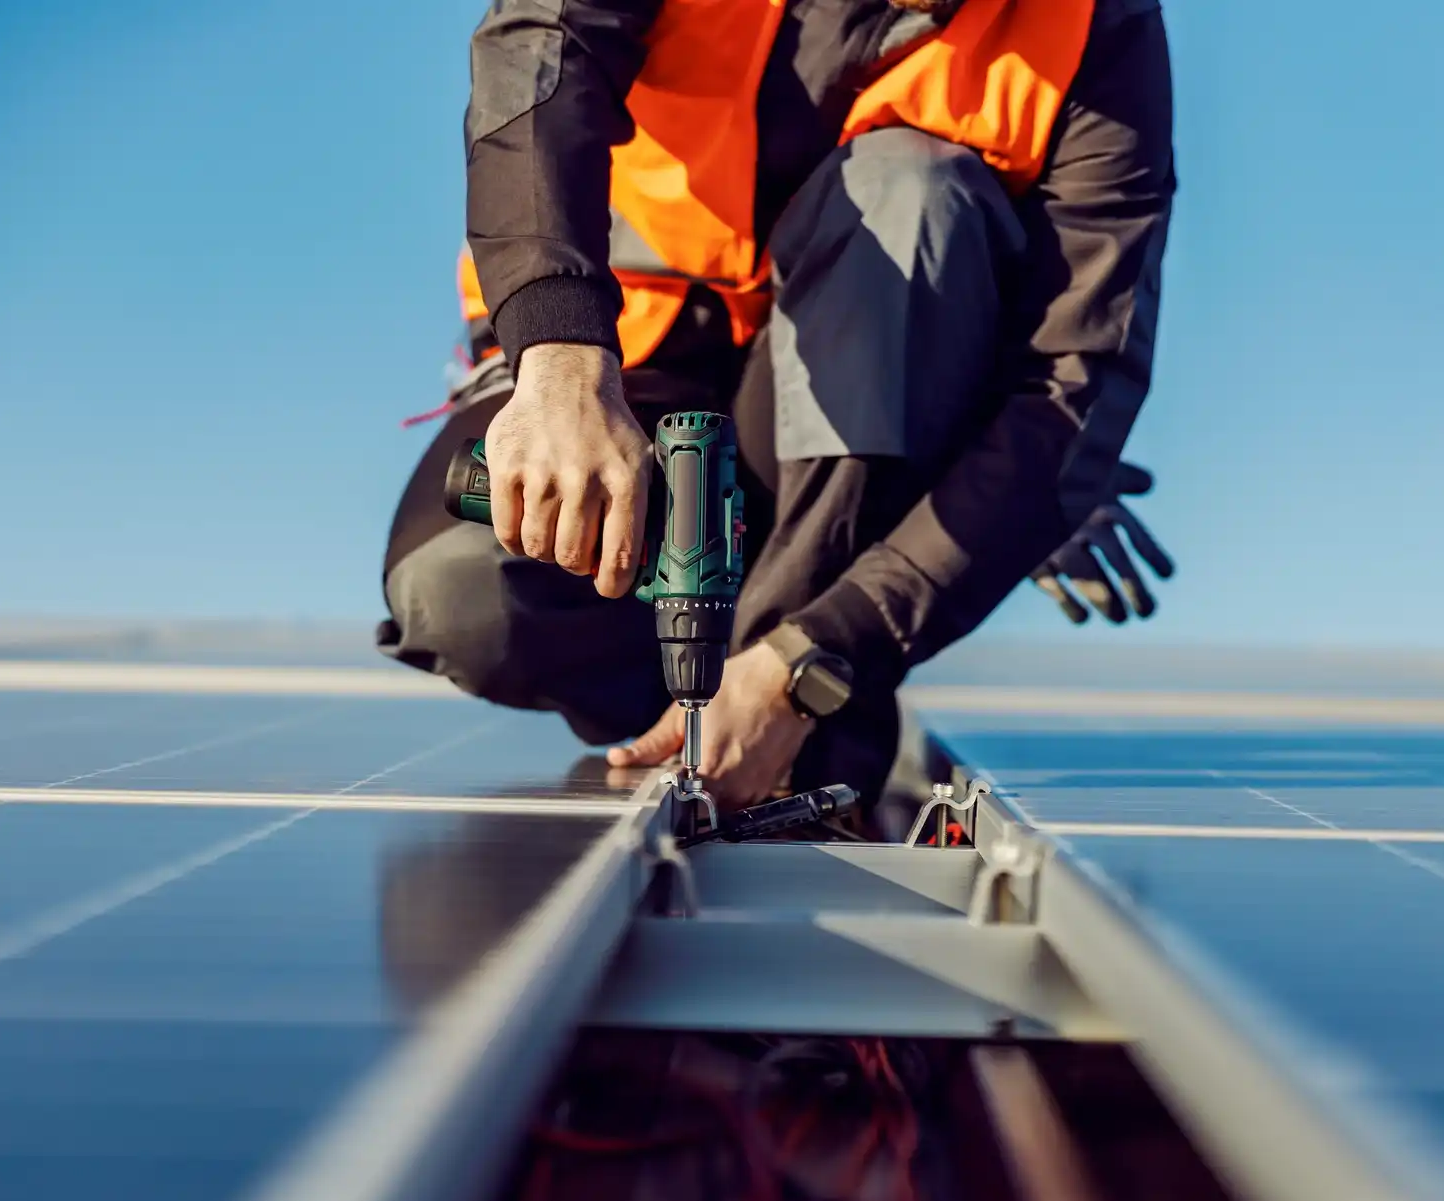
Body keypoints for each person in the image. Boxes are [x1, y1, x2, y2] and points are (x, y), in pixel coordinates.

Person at [379, 0, 1176, 814]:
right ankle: (699, 716)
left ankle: (801, 737)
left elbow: (1071, 381)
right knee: (463, 599)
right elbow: (539, 48)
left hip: (857, 457)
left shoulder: (1092, 23)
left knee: (905, 193)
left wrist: (818, 655)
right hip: (626, 359)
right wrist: (557, 358)